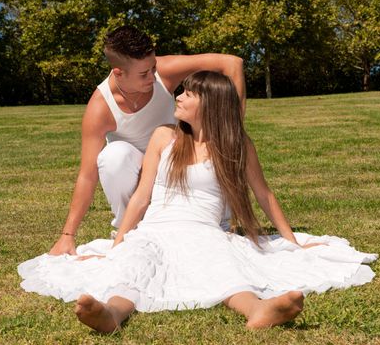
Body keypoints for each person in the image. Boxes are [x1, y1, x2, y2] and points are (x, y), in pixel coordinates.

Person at [18, 71, 377, 332]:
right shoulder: (164, 138)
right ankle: (110, 315)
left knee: (220, 266)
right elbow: (141, 197)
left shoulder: (236, 145)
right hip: (155, 229)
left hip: (204, 230)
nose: (179, 97)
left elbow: (263, 194)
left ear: (211, 103)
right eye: (181, 92)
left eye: (188, 94)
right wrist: (118, 244)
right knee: (136, 265)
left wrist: (292, 240)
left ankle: (259, 310)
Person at [49, 26, 245, 256]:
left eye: (153, 68)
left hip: (180, 165)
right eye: (144, 74)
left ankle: (218, 222)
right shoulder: (100, 108)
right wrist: (67, 236)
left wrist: (232, 127)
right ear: (119, 72)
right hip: (140, 179)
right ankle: (129, 231)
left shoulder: (164, 71)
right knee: (114, 156)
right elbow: (87, 174)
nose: (153, 77)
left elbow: (232, 63)